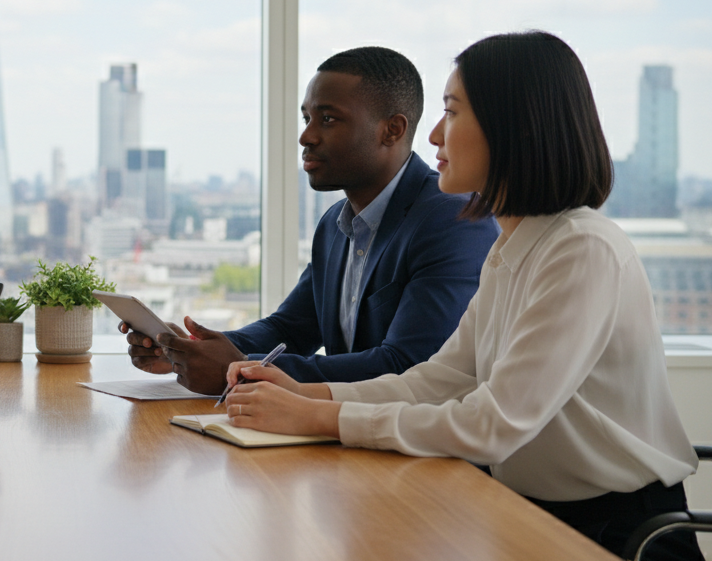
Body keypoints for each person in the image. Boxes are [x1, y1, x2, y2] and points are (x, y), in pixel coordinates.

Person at [221, 31, 708, 561]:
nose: (433, 135)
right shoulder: (513, 247)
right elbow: (439, 380)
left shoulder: (582, 248)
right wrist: (313, 394)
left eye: (451, 112)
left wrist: (320, 419)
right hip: (530, 518)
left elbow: (493, 422)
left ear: (513, 126)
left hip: (622, 543)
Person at [123, 47, 498, 395]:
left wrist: (240, 368)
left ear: (393, 130)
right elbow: (289, 329)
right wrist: (190, 351)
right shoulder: (336, 223)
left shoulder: (453, 218)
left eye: (328, 119)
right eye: (307, 118)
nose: (306, 136)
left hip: (424, 457)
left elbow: (409, 367)